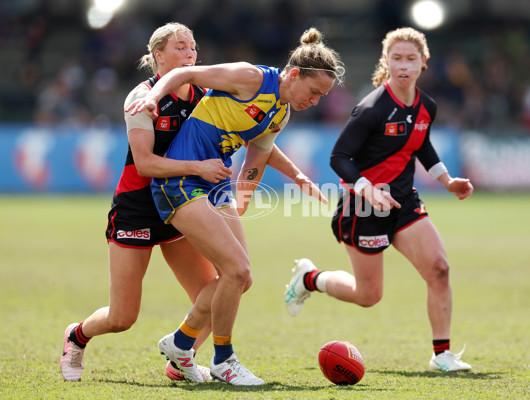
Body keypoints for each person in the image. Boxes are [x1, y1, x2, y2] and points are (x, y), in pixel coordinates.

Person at [60, 22, 327, 383]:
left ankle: (182, 356)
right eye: (180, 48)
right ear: (158, 55)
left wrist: (295, 175)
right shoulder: (142, 97)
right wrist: (197, 165)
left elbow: (257, 136)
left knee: (227, 285)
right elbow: (144, 164)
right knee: (123, 317)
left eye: (193, 48)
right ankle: (77, 336)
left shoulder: (208, 93)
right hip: (139, 205)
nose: (189, 55)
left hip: (192, 195)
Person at [126, 27, 344, 385]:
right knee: (237, 271)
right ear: (293, 75)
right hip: (179, 182)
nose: (316, 101)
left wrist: (243, 199)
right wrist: (154, 96)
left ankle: (181, 344)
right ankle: (223, 359)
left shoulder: (281, 112)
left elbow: (258, 154)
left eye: (323, 96)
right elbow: (186, 73)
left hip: (214, 186)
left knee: (241, 279)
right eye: (314, 91)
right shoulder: (251, 78)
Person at [284, 27, 474, 372]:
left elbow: (422, 145)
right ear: (386, 61)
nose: (404, 65)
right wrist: (367, 187)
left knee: (439, 269)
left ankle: (442, 355)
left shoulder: (426, 106)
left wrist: (447, 180)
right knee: (368, 296)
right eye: (397, 58)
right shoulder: (372, 108)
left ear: (423, 63)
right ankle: (310, 278)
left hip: (403, 202)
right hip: (363, 207)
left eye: (411, 59)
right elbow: (339, 157)